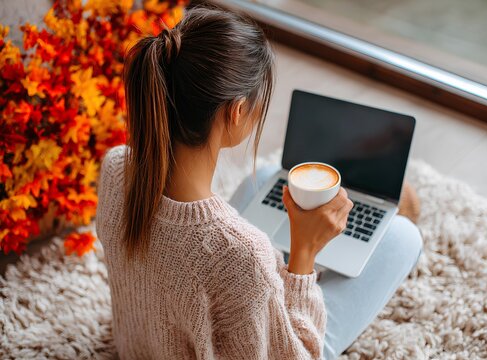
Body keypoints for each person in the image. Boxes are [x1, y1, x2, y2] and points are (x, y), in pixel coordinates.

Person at [96, 4, 423, 360]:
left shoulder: (116, 168)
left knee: (267, 176)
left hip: (140, 348)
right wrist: (303, 254)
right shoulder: (242, 255)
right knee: (405, 236)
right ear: (236, 110)